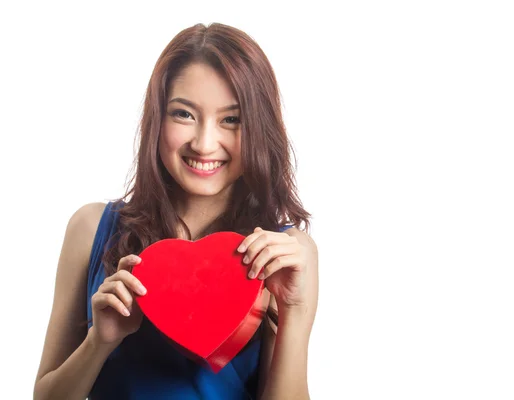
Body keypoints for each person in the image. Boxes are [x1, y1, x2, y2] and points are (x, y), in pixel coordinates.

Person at [33, 22, 319, 400]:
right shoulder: (91, 228)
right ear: (157, 118)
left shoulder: (286, 254)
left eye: (231, 120)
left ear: (260, 129)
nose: (204, 143)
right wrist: (98, 343)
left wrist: (293, 313)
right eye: (184, 114)